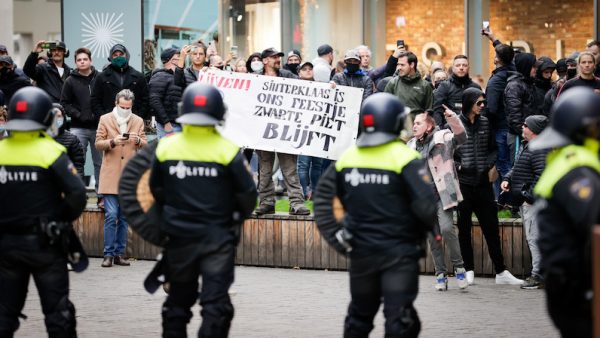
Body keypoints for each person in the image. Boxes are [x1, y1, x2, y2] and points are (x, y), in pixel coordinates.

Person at [314, 92, 437, 337]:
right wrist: (426, 233)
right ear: (395, 122)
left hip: (361, 251)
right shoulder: (406, 158)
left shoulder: (347, 158)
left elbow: (322, 201)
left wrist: (338, 237)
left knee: (359, 316)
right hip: (400, 252)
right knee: (399, 317)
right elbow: (426, 206)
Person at [149, 82, 257, 337]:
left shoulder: (165, 148)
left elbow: (157, 189)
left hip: (178, 238)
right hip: (217, 238)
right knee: (216, 306)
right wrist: (232, 218)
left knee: (176, 305)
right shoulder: (229, 151)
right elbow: (248, 196)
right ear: (220, 113)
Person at [0, 87, 87, 337]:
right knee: (58, 314)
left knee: (4, 313)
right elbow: (78, 195)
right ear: (46, 118)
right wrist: (60, 218)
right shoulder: (52, 152)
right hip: (45, 245)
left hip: (5, 246)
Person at [529, 87, 600, 337]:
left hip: (564, 282)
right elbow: (594, 226)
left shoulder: (563, 160)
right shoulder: (579, 171)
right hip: (579, 286)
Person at [454, 87, 523, 286]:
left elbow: (494, 150)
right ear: (469, 103)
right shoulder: (454, 124)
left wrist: (487, 165)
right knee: (464, 229)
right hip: (463, 185)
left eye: (484, 102)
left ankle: (501, 271)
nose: (483, 106)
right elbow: (446, 153)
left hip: (483, 184)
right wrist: (459, 166)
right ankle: (468, 270)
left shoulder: (485, 122)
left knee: (491, 228)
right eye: (479, 103)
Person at [407, 108, 468, 291]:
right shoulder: (410, 145)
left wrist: (453, 119)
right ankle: (440, 274)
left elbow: (462, 137)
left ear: (429, 125)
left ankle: (459, 267)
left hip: (442, 193)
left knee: (447, 228)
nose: (414, 126)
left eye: (418, 123)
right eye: (414, 124)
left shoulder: (443, 137)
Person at [254, 48, 309, 216]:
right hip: (262, 129)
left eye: (279, 57)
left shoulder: (288, 75)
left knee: (289, 166)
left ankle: (296, 203)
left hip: (285, 129)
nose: (278, 59)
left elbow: (306, 89)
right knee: (265, 169)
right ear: (264, 61)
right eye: (274, 57)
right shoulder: (254, 77)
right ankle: (266, 202)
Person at [95, 89, 147, 267]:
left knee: (125, 217)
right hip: (110, 175)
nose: (125, 109)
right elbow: (97, 143)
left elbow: (145, 144)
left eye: (128, 107)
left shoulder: (138, 120)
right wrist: (112, 141)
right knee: (111, 215)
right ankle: (108, 254)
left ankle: (119, 254)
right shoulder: (105, 119)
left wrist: (138, 141)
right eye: (122, 106)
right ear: (116, 103)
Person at [500, 115, 550, 290]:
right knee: (533, 237)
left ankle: (538, 275)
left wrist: (528, 196)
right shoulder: (527, 145)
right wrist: (507, 178)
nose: (522, 126)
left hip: (532, 203)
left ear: (534, 130)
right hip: (526, 201)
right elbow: (517, 166)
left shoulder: (539, 149)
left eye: (526, 125)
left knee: (534, 238)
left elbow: (541, 176)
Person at [60, 47, 101, 196]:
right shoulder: (70, 81)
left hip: (99, 128)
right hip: (78, 128)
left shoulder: (100, 78)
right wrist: (78, 114)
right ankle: (77, 194)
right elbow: (64, 103)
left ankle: (101, 195)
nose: (82, 62)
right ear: (75, 63)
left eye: (85, 59)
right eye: (79, 60)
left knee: (100, 163)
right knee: (77, 161)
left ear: (90, 61)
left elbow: (105, 100)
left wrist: (100, 115)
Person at [91, 44, 149, 119]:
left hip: (132, 120)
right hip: (109, 121)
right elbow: (95, 100)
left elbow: (145, 100)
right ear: (111, 57)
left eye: (121, 54)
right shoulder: (101, 77)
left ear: (126, 55)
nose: (118, 57)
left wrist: (138, 117)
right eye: (115, 55)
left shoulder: (138, 77)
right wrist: (104, 117)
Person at [505, 52, 537, 165]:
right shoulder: (515, 85)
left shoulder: (528, 83)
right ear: (526, 67)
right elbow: (514, 116)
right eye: (533, 66)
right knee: (517, 167)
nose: (535, 69)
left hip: (529, 135)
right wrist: (524, 134)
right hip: (519, 136)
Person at [432, 55, 481, 126]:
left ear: (468, 68)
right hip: (450, 130)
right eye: (458, 65)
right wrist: (441, 130)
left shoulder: (475, 88)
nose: (461, 68)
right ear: (453, 68)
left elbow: (481, 111)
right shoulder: (444, 86)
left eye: (464, 65)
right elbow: (437, 111)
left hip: (472, 129)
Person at [384, 51, 433, 117]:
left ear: (412, 65)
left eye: (402, 65)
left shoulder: (425, 86)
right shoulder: (393, 83)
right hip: (399, 125)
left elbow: (429, 112)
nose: (399, 68)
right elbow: (386, 107)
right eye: (398, 64)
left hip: (418, 125)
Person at [149, 48, 183, 138]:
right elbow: (154, 100)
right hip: (170, 126)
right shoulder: (160, 76)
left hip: (180, 124)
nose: (181, 58)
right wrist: (166, 123)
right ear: (170, 59)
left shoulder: (179, 76)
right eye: (178, 56)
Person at [51, 103, 85, 178]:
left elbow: (78, 165)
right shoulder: (40, 137)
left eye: (59, 116)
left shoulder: (72, 139)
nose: (56, 119)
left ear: (63, 118)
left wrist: (76, 184)